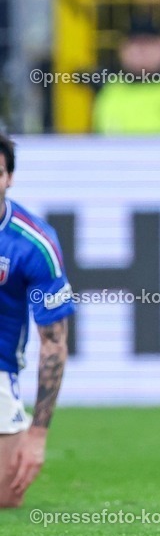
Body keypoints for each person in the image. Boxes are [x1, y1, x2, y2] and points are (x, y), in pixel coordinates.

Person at [0, 133, 74, 507]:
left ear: (8, 178)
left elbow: (54, 342)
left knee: (6, 496)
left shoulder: (33, 243)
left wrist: (38, 435)